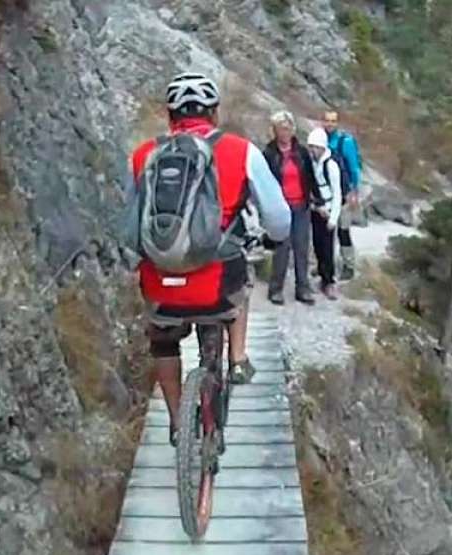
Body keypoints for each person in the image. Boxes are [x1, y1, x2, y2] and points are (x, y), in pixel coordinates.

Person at [127, 72, 292, 445]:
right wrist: (275, 239)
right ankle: (235, 362)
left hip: (160, 285)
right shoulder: (241, 151)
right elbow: (279, 220)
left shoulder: (142, 156)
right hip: (217, 283)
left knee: (164, 342)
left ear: (170, 115)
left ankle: (175, 423)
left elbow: (128, 224)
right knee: (240, 285)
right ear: (214, 113)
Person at [262, 111, 316, 306]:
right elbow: (264, 181)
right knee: (281, 249)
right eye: (280, 129)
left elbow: (310, 176)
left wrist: (318, 198)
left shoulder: (301, 152)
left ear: (292, 129)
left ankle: (303, 288)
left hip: (301, 205)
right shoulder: (268, 153)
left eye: (287, 128)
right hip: (280, 207)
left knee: (302, 247)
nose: (284, 133)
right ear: (274, 131)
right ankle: (276, 289)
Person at [323, 110, 363, 281]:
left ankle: (349, 265)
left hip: (344, 193)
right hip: (327, 193)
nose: (330, 124)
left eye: (333, 121)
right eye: (327, 121)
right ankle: (326, 264)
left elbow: (354, 167)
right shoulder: (321, 139)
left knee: (343, 230)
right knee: (326, 231)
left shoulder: (345, 142)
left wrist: (354, 191)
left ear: (337, 123)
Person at [306, 127, 342, 300]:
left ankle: (330, 280)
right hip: (316, 209)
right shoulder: (312, 163)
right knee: (318, 245)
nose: (312, 150)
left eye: (315, 147)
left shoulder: (331, 165)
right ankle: (322, 274)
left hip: (327, 211)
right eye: (311, 146)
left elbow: (337, 193)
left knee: (327, 248)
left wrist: (333, 217)